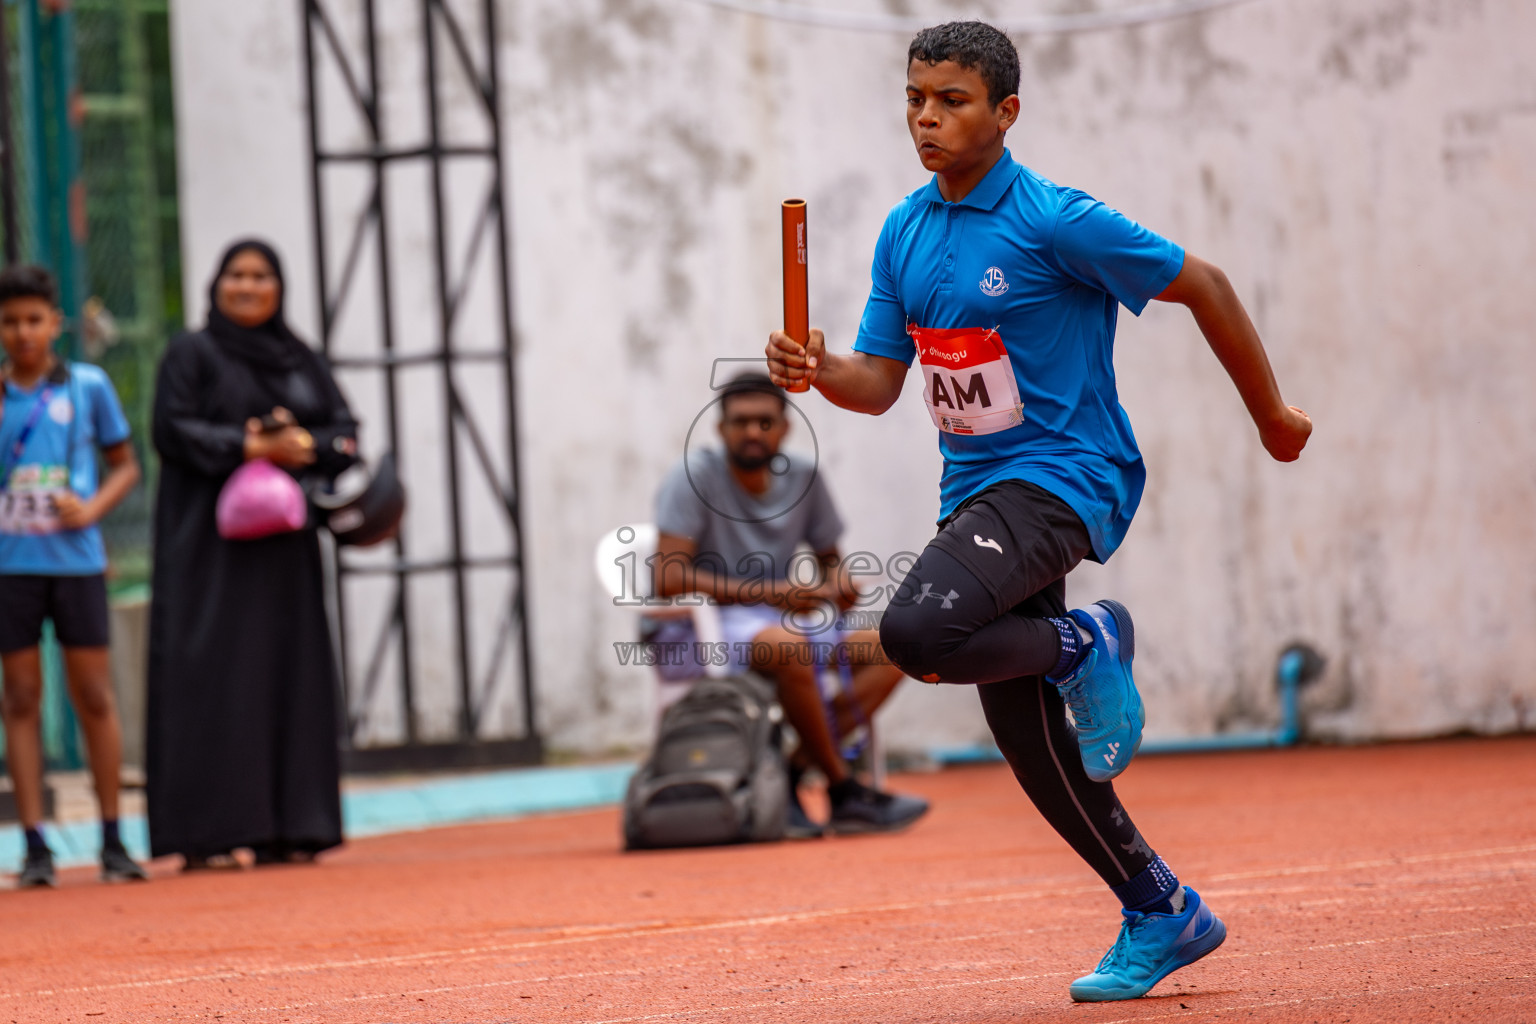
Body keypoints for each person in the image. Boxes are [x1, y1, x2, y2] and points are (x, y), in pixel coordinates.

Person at [765, 22, 1312, 1002]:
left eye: (952, 100)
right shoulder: (906, 230)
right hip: (976, 496)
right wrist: (819, 370)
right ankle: (1161, 907)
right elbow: (881, 381)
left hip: (1067, 477)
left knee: (920, 629)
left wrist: (1272, 415)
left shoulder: (1057, 220)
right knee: (1030, 741)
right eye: (915, 98)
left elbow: (1207, 285)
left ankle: (1085, 637)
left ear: (1006, 112)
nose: (926, 117)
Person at [146, 239, 358, 869]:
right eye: (235, 275)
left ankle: (292, 826)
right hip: (207, 554)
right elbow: (171, 429)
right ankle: (208, 834)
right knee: (211, 679)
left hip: (283, 558)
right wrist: (246, 446)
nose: (247, 286)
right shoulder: (192, 353)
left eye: (260, 276)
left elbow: (343, 435)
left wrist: (303, 444)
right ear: (216, 283)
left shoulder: (300, 358)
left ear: (279, 286)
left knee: (286, 677)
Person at [652, 372, 928, 837]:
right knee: (791, 645)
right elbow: (668, 577)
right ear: (720, 429)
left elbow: (830, 564)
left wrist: (838, 587)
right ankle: (843, 792)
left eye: (765, 421)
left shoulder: (805, 477)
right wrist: (773, 594)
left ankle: (793, 770)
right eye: (740, 422)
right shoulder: (693, 476)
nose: (752, 432)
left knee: (895, 647)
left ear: (785, 427)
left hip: (776, 619)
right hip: (702, 627)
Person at [0, 264, 147, 887]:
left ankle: (114, 839)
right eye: (10, 322)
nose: (23, 332)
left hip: (78, 563)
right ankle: (36, 847)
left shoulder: (87, 387)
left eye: (34, 319)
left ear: (55, 324)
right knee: (23, 698)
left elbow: (126, 465)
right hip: (12, 568)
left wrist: (89, 508)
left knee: (93, 695)